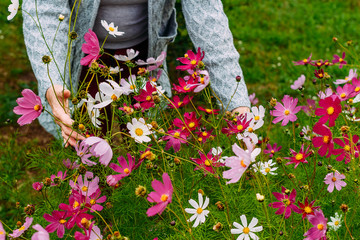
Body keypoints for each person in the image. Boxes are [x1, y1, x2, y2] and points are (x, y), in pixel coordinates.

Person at [22, 0, 251, 147]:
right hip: (83, 59)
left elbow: (209, 21)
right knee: (84, 146)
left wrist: (236, 104)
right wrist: (52, 80)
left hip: (143, 58)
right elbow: (45, 10)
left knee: (147, 145)